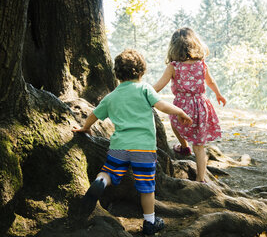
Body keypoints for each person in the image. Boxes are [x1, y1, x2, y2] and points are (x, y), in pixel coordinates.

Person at [72, 49, 192, 235]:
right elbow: (161, 105)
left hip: (119, 146)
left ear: (117, 74)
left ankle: (100, 182)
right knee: (146, 187)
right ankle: (150, 222)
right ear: (141, 71)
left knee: (109, 172)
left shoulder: (112, 96)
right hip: (143, 148)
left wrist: (85, 128)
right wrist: (179, 112)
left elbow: (94, 114)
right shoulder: (145, 89)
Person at [153, 27, 226, 183]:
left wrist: (141, 92)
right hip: (201, 105)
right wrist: (218, 94)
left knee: (174, 122)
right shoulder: (201, 65)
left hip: (181, 107)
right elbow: (211, 81)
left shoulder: (174, 66)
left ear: (174, 47)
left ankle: (183, 145)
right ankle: (201, 179)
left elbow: (159, 86)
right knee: (199, 146)